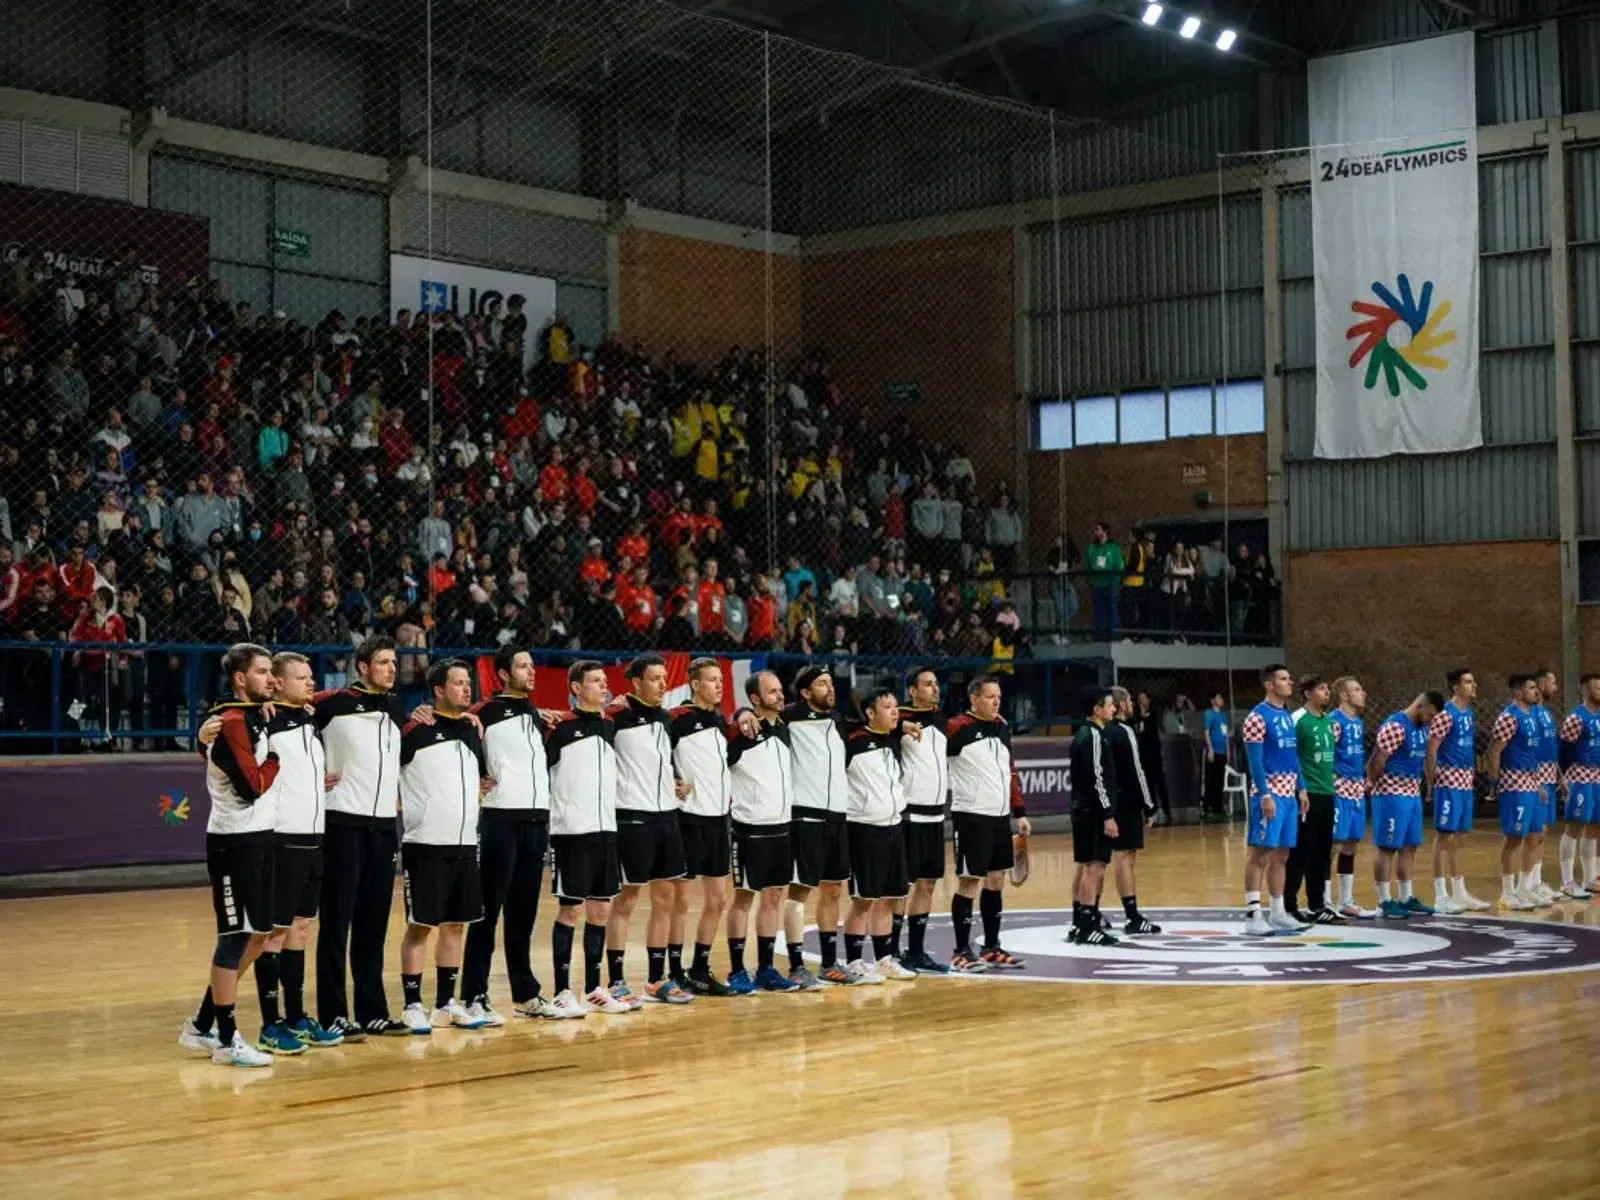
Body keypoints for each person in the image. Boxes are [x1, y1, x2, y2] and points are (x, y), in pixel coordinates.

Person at [178, 644, 281, 1068]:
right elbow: (252, 785)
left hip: (259, 837)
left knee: (259, 934)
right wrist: (275, 760)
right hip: (233, 842)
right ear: (240, 678)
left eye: (272, 671)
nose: (271, 679)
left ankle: (202, 1023)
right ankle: (225, 1039)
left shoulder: (251, 716)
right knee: (234, 937)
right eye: (262, 672)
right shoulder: (232, 722)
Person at [312, 637, 414, 1039]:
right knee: (336, 924)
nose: (391, 669)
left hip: (385, 827)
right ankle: (333, 1013)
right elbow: (284, 720)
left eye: (394, 662)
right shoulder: (331, 703)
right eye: (383, 662)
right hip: (342, 824)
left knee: (373, 924)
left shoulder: (395, 707)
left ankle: (373, 1011)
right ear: (362, 667)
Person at [254, 653, 344, 1053]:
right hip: (283, 838)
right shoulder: (264, 719)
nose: (311, 683)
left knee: (300, 929)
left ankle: (295, 1017)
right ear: (276, 682)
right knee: (273, 933)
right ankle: (269, 1024)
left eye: (311, 677)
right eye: (301, 678)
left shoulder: (309, 719)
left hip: (314, 837)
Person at [396, 659, 491, 1033]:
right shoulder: (414, 730)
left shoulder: (471, 730)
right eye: (458, 683)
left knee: (455, 926)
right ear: (438, 690)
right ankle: (412, 1004)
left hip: (465, 843)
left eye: (468, 683)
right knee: (420, 926)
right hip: (426, 844)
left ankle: (445, 1003)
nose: (467, 689)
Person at [461, 648, 552, 1024]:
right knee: (487, 912)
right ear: (502, 674)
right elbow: (457, 738)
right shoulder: (483, 711)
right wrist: (478, 775)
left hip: (536, 820)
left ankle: (525, 993)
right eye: (522, 666)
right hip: (500, 819)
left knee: (523, 913)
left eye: (532, 665)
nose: (531, 671)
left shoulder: (533, 713)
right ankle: (473, 995)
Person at [606, 654, 693, 1006]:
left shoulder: (665, 719)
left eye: (663, 678)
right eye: (654, 678)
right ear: (636, 682)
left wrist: (675, 781)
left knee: (665, 897)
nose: (662, 684)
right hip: (632, 817)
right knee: (626, 899)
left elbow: (661, 762)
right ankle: (615, 981)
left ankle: (656, 980)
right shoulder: (616, 716)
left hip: (667, 817)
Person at [543, 660, 628, 1017]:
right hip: (571, 831)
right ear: (576, 688)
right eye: (595, 681)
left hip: (606, 829)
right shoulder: (559, 726)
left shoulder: (609, 725)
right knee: (571, 910)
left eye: (605, 680)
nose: (604, 686)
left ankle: (594, 988)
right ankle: (562, 991)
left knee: (602, 908)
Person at [945, 676, 1031, 970]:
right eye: (990, 696)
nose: (996, 702)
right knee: (969, 881)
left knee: (996, 880)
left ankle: (991, 947)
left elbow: (1010, 771)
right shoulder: (956, 728)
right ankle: (960, 951)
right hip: (971, 816)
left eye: (999, 697)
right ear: (974, 699)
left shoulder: (1002, 727)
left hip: (999, 816)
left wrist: (1019, 812)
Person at [724, 670, 802, 993]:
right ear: (755, 698)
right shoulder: (740, 732)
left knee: (773, 897)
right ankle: (736, 970)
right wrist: (741, 714)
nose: (780, 695)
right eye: (772, 691)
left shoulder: (783, 728)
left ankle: (766, 969)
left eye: (781, 689)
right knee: (743, 899)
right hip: (749, 829)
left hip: (781, 827)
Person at [780, 666, 851, 986]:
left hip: (837, 814)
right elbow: (758, 715)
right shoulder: (791, 716)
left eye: (831, 683)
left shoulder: (837, 720)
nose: (830, 688)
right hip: (806, 815)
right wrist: (743, 713)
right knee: (799, 891)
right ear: (806, 693)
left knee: (833, 889)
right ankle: (796, 966)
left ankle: (829, 963)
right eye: (822, 684)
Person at [671, 658, 737, 996]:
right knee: (681, 902)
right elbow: (654, 754)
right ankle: (672, 972)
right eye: (712, 680)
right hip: (689, 819)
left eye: (721, 679)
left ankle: (699, 967)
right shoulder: (677, 719)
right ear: (695, 684)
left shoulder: (720, 721)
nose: (719, 685)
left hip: (718, 820)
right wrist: (671, 779)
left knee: (719, 899)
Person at [840, 688, 916, 984]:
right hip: (864, 828)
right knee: (863, 900)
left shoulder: (892, 741)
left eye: (896, 706)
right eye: (887, 707)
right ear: (870, 712)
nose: (895, 711)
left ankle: (884, 960)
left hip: (894, 827)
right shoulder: (853, 742)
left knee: (888, 898)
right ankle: (854, 961)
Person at [1241, 664, 1308, 936]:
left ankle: (1278, 913)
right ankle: (1253, 915)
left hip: (1289, 793)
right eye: (1283, 679)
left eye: (1289, 678)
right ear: (1269, 685)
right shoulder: (1257, 718)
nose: (1290, 682)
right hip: (1269, 793)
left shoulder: (1287, 717)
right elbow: (1255, 762)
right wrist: (1265, 794)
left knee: (1282, 854)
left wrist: (1301, 788)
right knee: (1261, 854)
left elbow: (1293, 757)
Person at [894, 667, 951, 975]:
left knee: (927, 883)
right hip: (910, 813)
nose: (935, 689)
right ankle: (891, 951)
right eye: (928, 684)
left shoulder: (941, 720)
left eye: (936, 684)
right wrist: (898, 725)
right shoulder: (899, 718)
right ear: (913, 691)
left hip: (936, 813)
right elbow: (864, 724)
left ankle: (916, 951)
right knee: (902, 886)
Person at [1367, 691, 1444, 920]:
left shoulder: (1422, 729)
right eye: (1430, 714)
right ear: (1420, 706)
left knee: (1410, 847)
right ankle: (1384, 900)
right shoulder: (1396, 726)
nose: (1431, 719)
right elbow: (1376, 762)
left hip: (1411, 793)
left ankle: (1406, 897)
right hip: (1391, 794)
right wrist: (1376, 787)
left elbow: (1424, 759)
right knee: (1387, 847)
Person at [1425, 668, 1490, 913]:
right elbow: (1431, 751)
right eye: (1468, 682)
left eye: (1473, 681)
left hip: (1465, 781)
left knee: (1459, 838)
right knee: (1444, 837)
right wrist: (1431, 783)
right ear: (1456, 688)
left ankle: (1459, 892)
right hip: (1448, 781)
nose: (1474, 685)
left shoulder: (1468, 713)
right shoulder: (1446, 715)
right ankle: (1440, 895)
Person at [1487, 675, 1552, 911]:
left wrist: (1538, 784)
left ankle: (1525, 888)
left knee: (1535, 834)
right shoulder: (1510, 717)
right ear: (1518, 693)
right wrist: (1495, 783)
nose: (1537, 691)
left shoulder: (1532, 716)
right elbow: (1494, 751)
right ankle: (1507, 893)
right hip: (1514, 783)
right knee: (1514, 839)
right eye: (1531, 688)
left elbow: (1529, 755)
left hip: (1531, 782)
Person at [1286, 675, 1340, 924]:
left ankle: (1317, 905)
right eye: (1321, 689)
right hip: (1308, 794)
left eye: (1327, 688)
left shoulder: (1328, 721)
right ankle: (1288, 905)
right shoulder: (1298, 719)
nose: (1326, 692)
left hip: (1327, 792)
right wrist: (1300, 788)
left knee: (1322, 851)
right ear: (1308, 694)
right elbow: (1290, 755)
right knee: (1301, 850)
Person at [1105, 687, 1159, 934]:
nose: (1132, 705)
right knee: (1125, 857)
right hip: (1125, 802)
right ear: (1121, 705)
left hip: (1103, 802)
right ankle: (1132, 916)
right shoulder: (1124, 731)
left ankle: (1088, 913)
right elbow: (1137, 772)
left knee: (1094, 862)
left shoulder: (1098, 730)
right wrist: (1149, 806)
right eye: (1128, 701)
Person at [1068, 688, 1119, 945]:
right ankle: (1087, 927)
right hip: (1093, 813)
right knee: (1094, 867)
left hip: (1082, 810)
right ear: (1097, 710)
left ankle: (1080, 924)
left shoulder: (1081, 735)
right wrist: (1108, 814)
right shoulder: (1094, 737)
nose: (1114, 709)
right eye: (1110, 705)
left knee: (1087, 866)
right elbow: (1097, 778)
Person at [1329, 677, 1378, 920]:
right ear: (1344, 696)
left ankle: (1345, 901)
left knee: (1351, 844)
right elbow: (1325, 756)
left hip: (1356, 789)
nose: (1363, 693)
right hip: (1338, 789)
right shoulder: (1333, 722)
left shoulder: (1357, 722)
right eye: (1357, 690)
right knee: (1332, 845)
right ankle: (1323, 901)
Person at [1558, 674, 1600, 895]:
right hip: (1580, 776)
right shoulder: (1576, 718)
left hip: (1597, 776)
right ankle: (1567, 882)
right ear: (1585, 691)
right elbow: (1564, 750)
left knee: (1594, 826)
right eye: (1597, 688)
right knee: (1575, 826)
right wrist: (1563, 777)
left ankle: (1590, 878)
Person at [1531, 669, 1562, 903]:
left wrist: (1560, 775)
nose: (1556, 687)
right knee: (1535, 831)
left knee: (1543, 832)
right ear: (1541, 685)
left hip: (1550, 774)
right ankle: (1529, 883)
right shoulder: (1531, 713)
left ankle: (1537, 881)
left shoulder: (1546, 713)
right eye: (1552, 683)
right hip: (1537, 775)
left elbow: (1551, 748)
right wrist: (1533, 778)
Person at [1132, 692, 1169, 823]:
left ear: (1148, 700)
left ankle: (1167, 811)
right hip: (1144, 754)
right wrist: (1140, 717)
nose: (1141, 701)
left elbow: (1152, 728)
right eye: (1139, 699)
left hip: (1155, 754)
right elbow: (1137, 730)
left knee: (1161, 783)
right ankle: (1152, 811)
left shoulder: (1154, 713)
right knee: (1148, 784)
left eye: (1144, 698)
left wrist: (1144, 717)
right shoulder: (1136, 716)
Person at [1201, 692, 1230, 822]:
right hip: (1213, 752)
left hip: (1222, 752)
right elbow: (1207, 733)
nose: (1221, 700)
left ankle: (1218, 808)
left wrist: (1228, 751)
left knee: (1219, 782)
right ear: (1212, 701)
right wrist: (1210, 749)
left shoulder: (1223, 716)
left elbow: (1225, 735)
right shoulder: (1209, 714)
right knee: (1211, 781)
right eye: (1218, 698)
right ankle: (1206, 808)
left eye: (1221, 698)